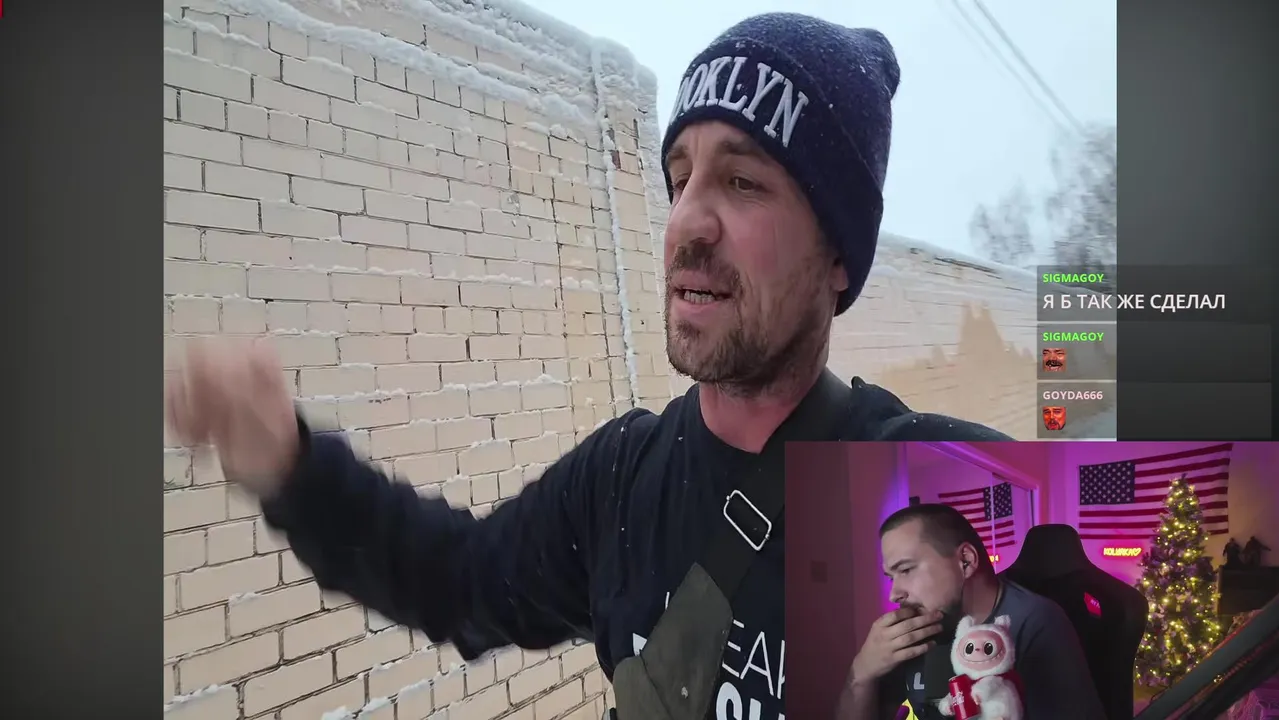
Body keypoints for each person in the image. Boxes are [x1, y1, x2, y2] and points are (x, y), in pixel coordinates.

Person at [165, 13, 1012, 720]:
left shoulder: (933, 487)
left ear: (838, 257)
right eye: (679, 178)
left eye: (743, 182)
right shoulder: (622, 480)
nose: (686, 223)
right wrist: (293, 468)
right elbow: (456, 579)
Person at [837, 504, 1105, 720]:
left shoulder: (1036, 622)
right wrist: (861, 673)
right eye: (890, 577)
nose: (894, 594)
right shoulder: (916, 628)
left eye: (906, 570)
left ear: (965, 561)